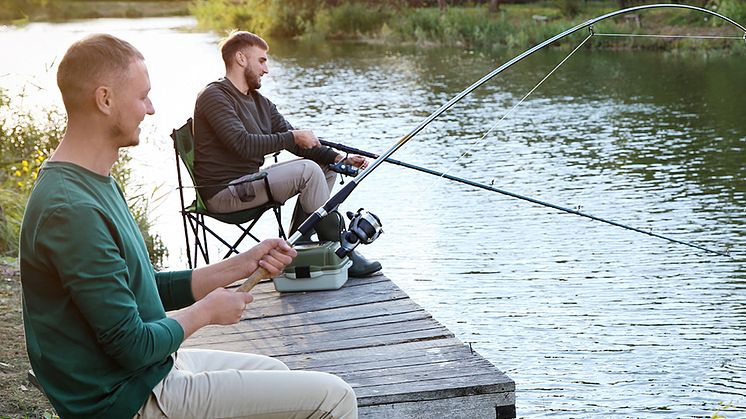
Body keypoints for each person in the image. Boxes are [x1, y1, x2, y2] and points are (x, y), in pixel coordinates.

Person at [20, 34, 358, 419]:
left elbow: (147, 288)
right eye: (143, 95)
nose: (150, 109)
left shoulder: (95, 181)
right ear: (105, 99)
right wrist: (206, 312)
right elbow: (130, 344)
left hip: (149, 370)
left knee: (277, 372)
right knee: (335, 397)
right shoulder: (71, 209)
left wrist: (242, 264)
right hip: (125, 398)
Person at [193, 30, 381, 277]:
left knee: (324, 168)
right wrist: (292, 137)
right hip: (223, 192)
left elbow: (295, 142)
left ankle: (300, 242)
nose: (266, 69)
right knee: (308, 170)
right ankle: (341, 250)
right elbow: (242, 144)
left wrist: (338, 158)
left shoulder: (260, 102)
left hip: (248, 185)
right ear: (240, 58)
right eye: (261, 60)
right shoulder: (214, 96)